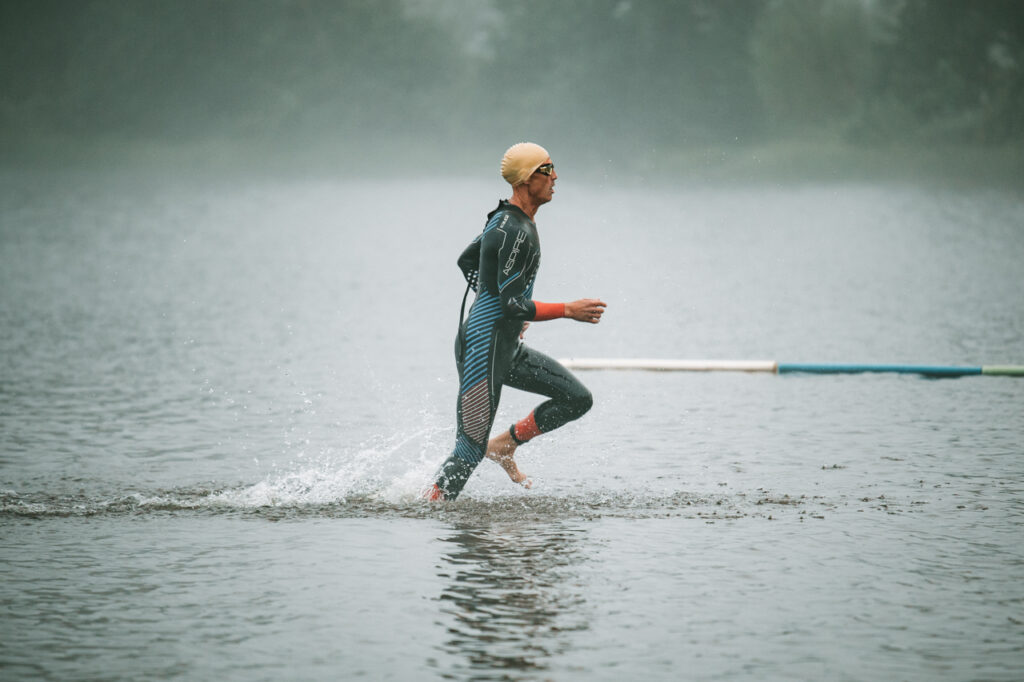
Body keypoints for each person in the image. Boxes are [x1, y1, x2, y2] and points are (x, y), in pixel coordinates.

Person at [424, 142, 607, 501]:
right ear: (526, 178)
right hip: (482, 349)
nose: (555, 176)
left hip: (504, 346)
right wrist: (563, 309)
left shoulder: (508, 220)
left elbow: (468, 260)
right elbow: (509, 302)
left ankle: (505, 445)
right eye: (547, 169)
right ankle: (428, 511)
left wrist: (502, 305)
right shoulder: (514, 229)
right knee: (469, 450)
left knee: (576, 399)